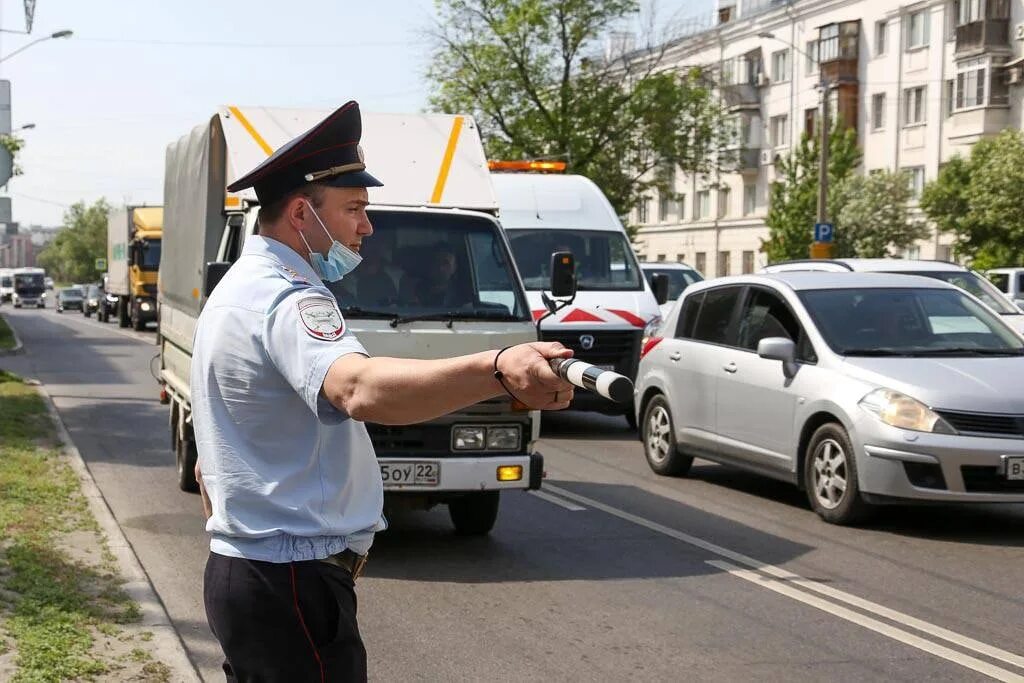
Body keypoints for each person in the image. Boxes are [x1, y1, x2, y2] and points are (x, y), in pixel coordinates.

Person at [190, 100, 575, 682]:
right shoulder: (290, 296)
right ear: (301, 212)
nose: (367, 226)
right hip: (290, 582)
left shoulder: (239, 288)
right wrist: (497, 366)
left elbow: (208, 463)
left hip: (256, 574)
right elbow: (361, 390)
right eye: (355, 209)